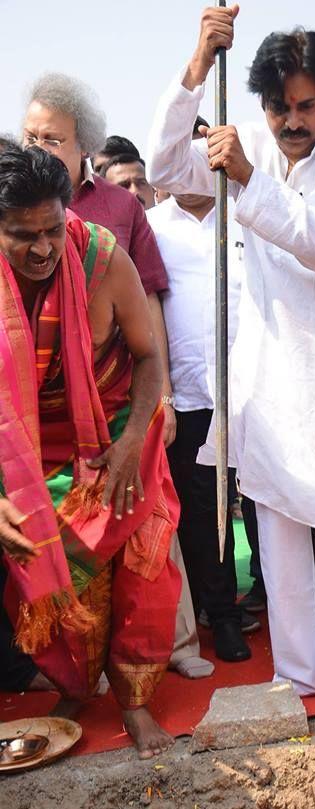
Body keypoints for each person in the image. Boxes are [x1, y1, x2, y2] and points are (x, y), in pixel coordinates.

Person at [147, 6, 315, 724]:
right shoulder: (251, 147)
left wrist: (248, 182)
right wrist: (200, 63)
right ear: (262, 105)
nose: (293, 122)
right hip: (265, 378)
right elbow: (164, 164)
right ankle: (297, 676)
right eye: (279, 108)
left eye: (307, 106)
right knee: (281, 537)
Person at [0, 146, 180, 757]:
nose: (45, 248)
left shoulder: (102, 257)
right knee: (48, 575)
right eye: (24, 236)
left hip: (121, 431)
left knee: (141, 569)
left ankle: (134, 703)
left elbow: (150, 356)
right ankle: (75, 683)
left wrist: (131, 444)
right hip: (25, 455)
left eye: (53, 228)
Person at [22, 74, 175, 449]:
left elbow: (149, 299)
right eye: (30, 137)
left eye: (52, 140)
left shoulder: (122, 206)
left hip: (111, 403)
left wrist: (164, 398)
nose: (38, 149)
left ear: (86, 146)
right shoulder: (9, 206)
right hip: (29, 404)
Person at [147, 140, 251, 662]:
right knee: (205, 514)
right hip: (190, 396)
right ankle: (223, 615)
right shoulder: (154, 227)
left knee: (263, 504)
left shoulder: (245, 209)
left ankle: (276, 604)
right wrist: (163, 393)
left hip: (256, 388)